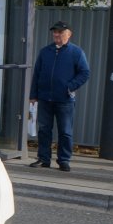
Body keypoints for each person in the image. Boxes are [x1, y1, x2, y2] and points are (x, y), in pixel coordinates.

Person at [29, 20, 90, 172]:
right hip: (44, 98)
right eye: (55, 32)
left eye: (60, 32)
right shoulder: (45, 51)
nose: (56, 34)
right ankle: (44, 159)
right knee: (44, 129)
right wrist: (33, 95)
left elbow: (84, 73)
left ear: (68, 34)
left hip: (65, 100)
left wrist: (70, 86)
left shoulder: (76, 52)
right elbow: (36, 74)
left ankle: (63, 160)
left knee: (65, 131)